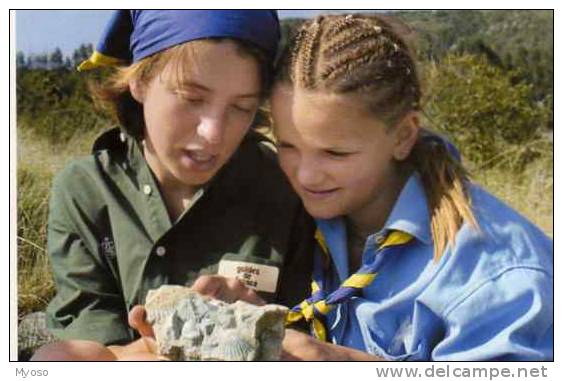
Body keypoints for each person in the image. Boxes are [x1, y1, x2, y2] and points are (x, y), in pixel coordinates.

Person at [31, 10, 315, 360]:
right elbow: (93, 340)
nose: (213, 133)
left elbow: (312, 333)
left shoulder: (286, 190)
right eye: (192, 98)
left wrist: (266, 331)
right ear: (140, 81)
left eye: (241, 107)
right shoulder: (86, 191)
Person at [269, 14, 553, 361]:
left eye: (335, 153)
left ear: (404, 136)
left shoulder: (498, 275)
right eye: (287, 146)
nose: (306, 176)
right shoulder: (306, 214)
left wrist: (341, 363)